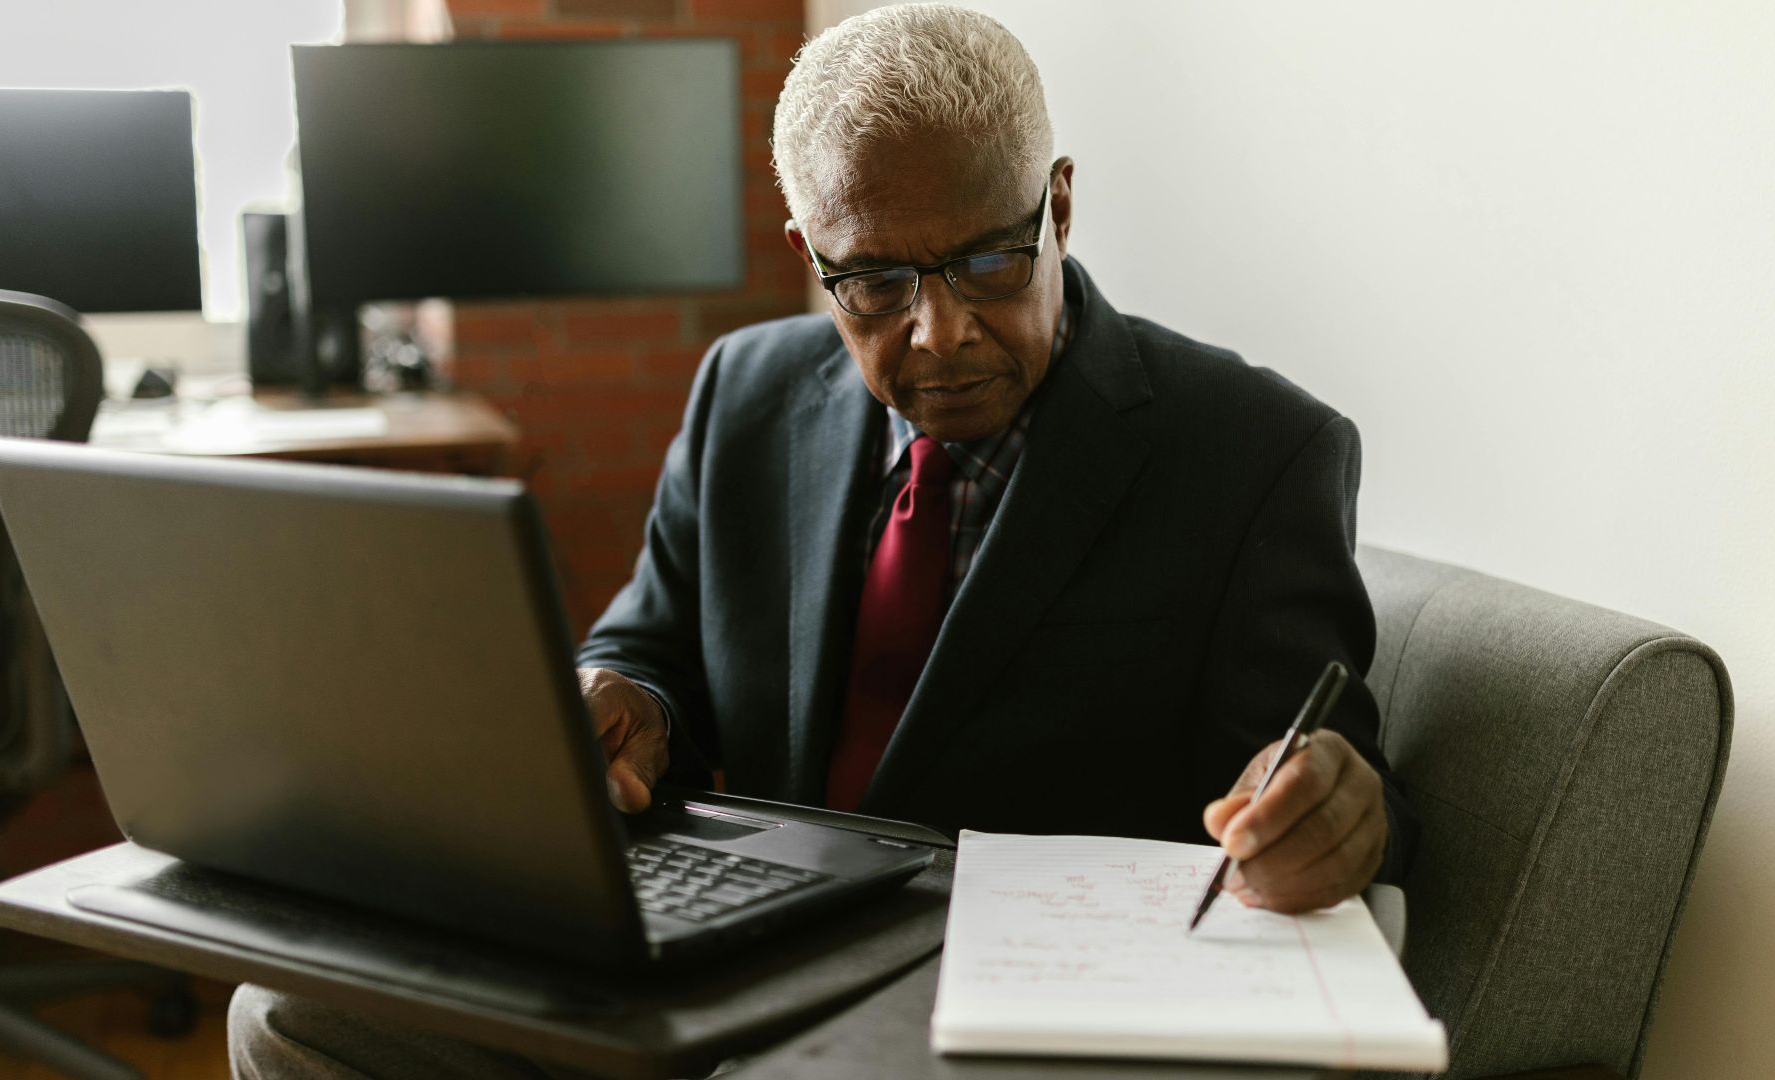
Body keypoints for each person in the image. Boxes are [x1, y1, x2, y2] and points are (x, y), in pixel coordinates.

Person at [230, 5, 1417, 1076]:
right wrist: (623, 702)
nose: (940, 332)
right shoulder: (743, 390)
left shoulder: (1254, 450)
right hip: (739, 938)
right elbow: (649, 644)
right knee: (288, 1014)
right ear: (811, 257)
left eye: (990, 260)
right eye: (877, 281)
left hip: (1000, 1002)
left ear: (1058, 204)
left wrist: (1329, 810)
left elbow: (1330, 773)